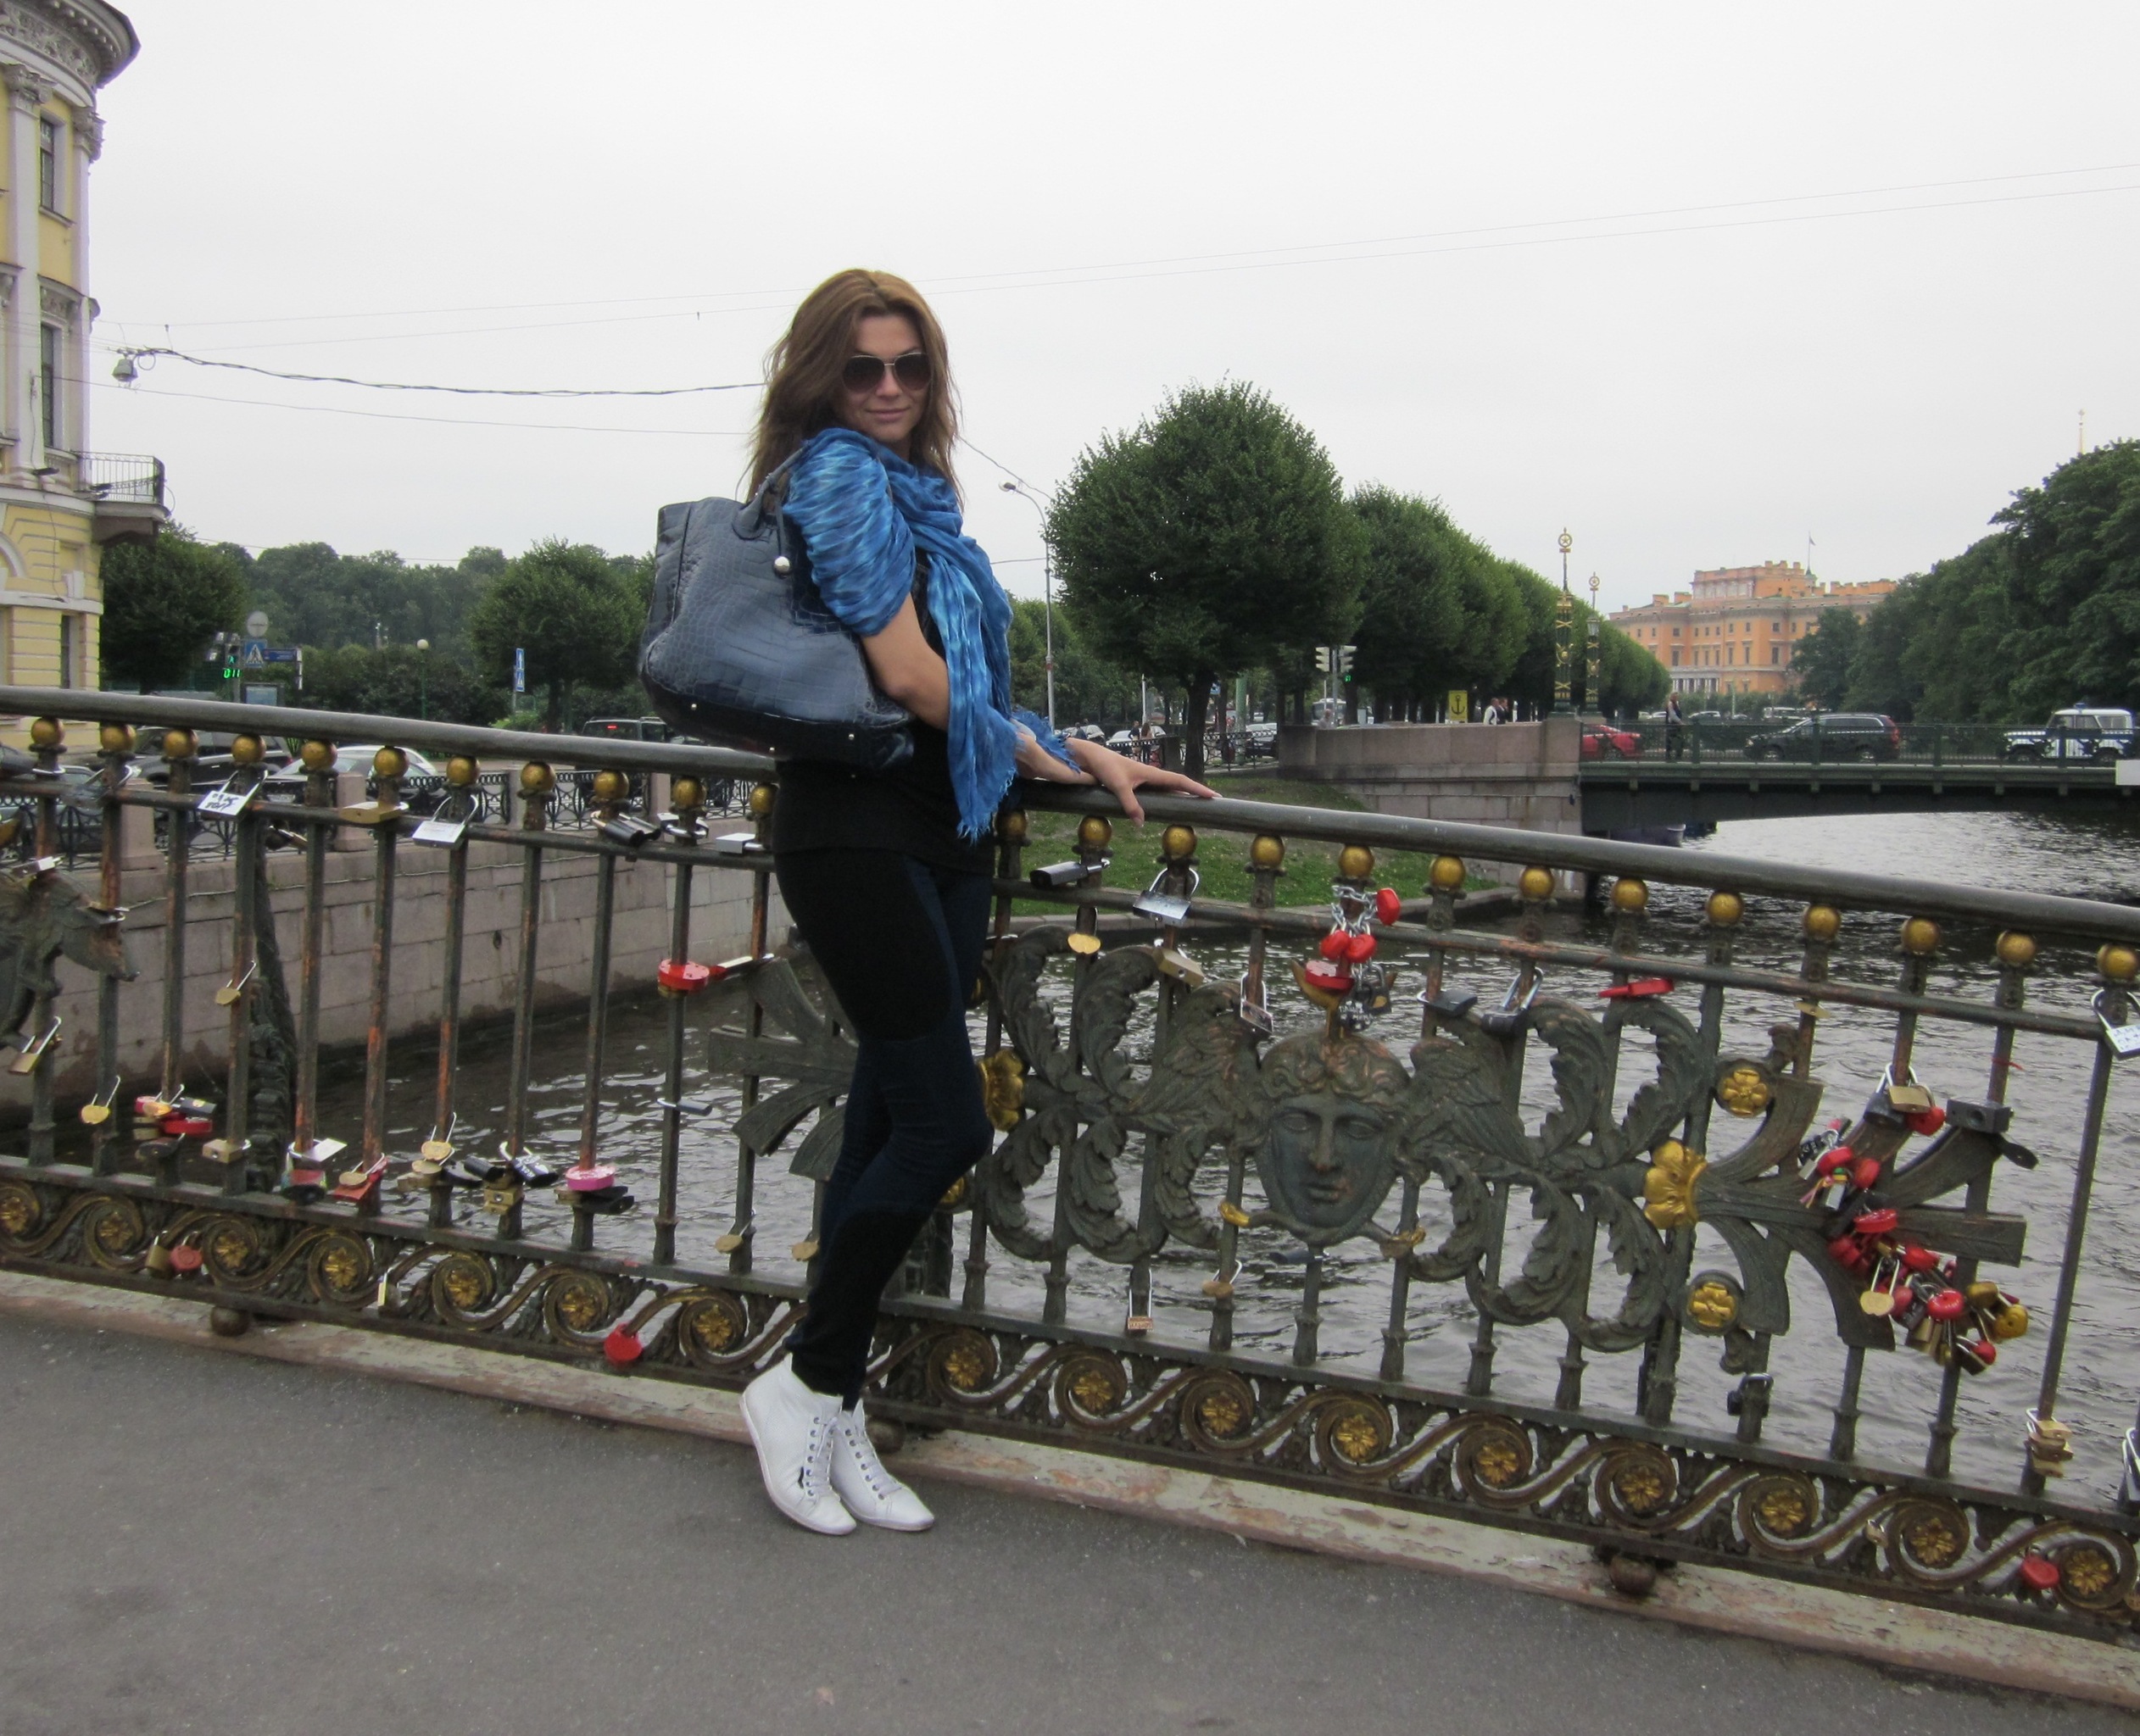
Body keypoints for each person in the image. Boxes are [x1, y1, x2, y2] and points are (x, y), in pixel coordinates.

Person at [737, 270, 1215, 1536]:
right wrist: (1036, 752)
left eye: (910, 366)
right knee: (946, 1124)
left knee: (889, 1114)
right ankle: (803, 1385)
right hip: (855, 829)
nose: (889, 388)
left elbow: (970, 681)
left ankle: (833, 1410)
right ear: (821, 378)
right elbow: (906, 676)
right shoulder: (839, 476)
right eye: (863, 367)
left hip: (942, 827)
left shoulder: (928, 496)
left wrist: (1082, 750)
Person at [1665, 692, 1685, 760]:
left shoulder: (1677, 703)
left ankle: (1677, 755)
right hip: (1672, 725)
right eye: (1674, 696)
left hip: (1676, 726)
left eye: (1677, 696)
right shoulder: (1670, 704)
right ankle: (1670, 756)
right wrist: (1680, 722)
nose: (1676, 698)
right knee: (1671, 740)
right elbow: (1672, 715)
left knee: (1679, 740)